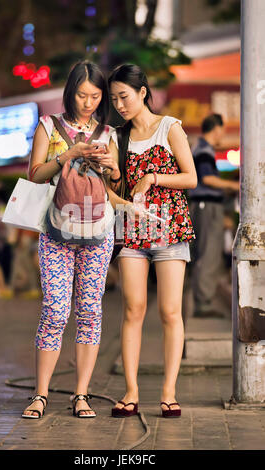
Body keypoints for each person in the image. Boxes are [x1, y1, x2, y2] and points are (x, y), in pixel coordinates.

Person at [22, 60, 126, 419]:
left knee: (90, 312)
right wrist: (68, 155)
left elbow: (113, 188)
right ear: (70, 93)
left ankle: (81, 395)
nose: (89, 102)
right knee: (54, 310)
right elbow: (34, 176)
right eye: (82, 95)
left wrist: (110, 167)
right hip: (56, 230)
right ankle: (40, 394)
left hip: (97, 231)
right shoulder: (48, 126)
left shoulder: (109, 133)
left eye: (96, 96)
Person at [108, 64, 197, 418]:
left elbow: (190, 178)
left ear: (143, 92)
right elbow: (113, 189)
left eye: (124, 97)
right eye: (114, 99)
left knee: (170, 312)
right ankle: (131, 392)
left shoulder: (170, 127)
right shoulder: (117, 137)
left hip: (171, 229)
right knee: (133, 309)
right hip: (132, 232)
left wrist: (154, 177)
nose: (119, 105)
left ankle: (169, 393)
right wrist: (114, 180)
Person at [188, 114, 239, 318]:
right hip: (206, 207)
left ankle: (203, 300)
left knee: (205, 252)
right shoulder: (204, 150)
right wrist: (234, 185)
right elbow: (208, 179)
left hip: (203, 206)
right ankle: (204, 303)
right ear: (216, 128)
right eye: (223, 129)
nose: (223, 133)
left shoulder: (200, 148)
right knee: (209, 252)